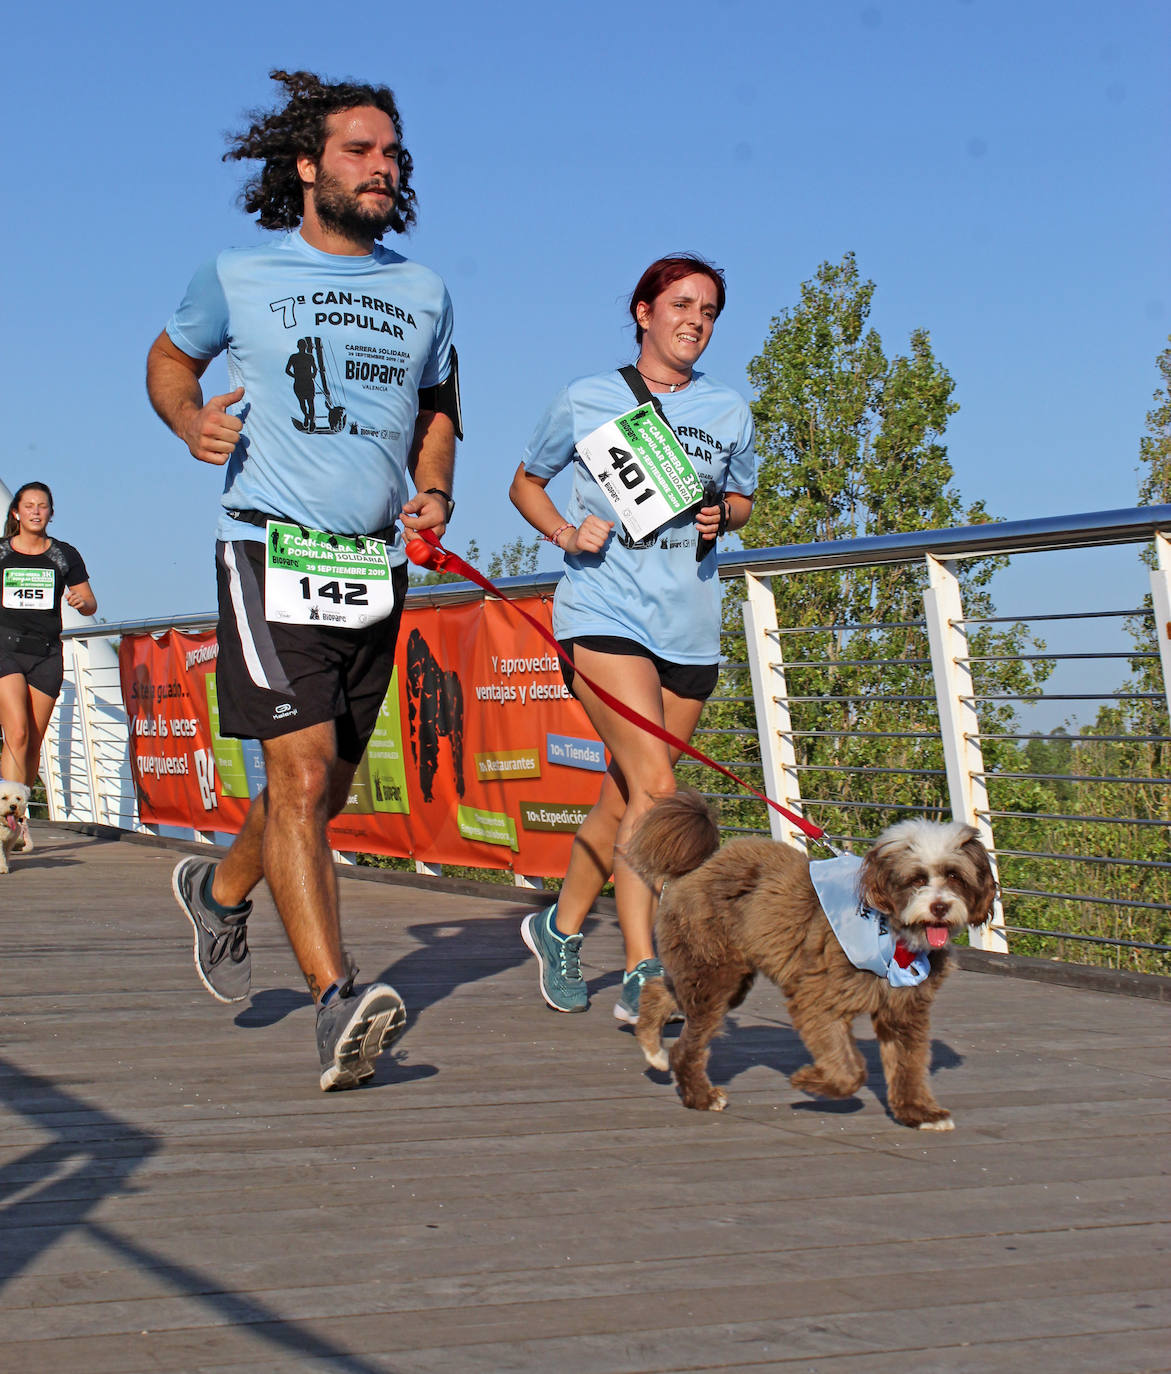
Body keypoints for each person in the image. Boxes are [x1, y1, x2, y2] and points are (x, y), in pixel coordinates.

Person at [146, 70, 460, 1091]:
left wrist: (434, 490)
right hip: (267, 547)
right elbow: (167, 358)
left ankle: (222, 889)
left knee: (315, 791)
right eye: (360, 151)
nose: (381, 168)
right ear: (308, 165)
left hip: (371, 564)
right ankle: (336, 1001)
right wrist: (190, 418)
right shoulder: (239, 272)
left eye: (392, 153)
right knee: (300, 777)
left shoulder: (423, 291)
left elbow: (438, 412)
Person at [510, 255, 756, 1020]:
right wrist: (561, 530)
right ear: (644, 311)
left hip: (688, 626)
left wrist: (725, 515)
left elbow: (742, 498)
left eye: (709, 311)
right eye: (681, 304)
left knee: (623, 795)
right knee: (657, 790)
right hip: (604, 613)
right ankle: (645, 969)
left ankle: (558, 927)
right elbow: (525, 481)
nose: (695, 321)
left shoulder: (728, 410)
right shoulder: (586, 398)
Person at [0, 482, 98, 849]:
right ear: (16, 513)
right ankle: (13, 827)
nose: (36, 512)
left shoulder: (63, 554)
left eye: (42, 506)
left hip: (45, 653)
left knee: (33, 744)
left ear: (51, 513)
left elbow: (90, 603)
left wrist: (80, 602)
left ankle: (12, 812)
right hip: (4, 648)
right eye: (28, 506)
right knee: (18, 734)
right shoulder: (1, 554)